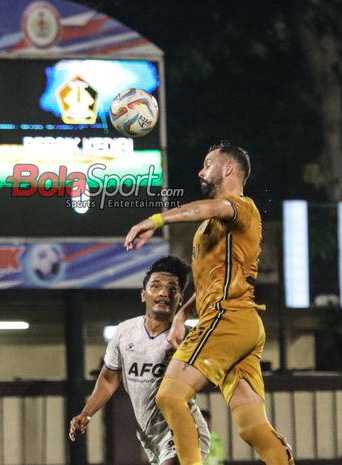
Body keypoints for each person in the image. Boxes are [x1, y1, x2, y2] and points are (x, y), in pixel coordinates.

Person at [125, 142, 295, 465]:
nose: (200, 171)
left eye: (207, 164)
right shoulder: (211, 229)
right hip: (241, 324)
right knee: (253, 428)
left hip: (227, 319)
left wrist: (157, 219)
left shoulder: (240, 207)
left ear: (228, 169)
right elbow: (212, 281)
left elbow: (212, 208)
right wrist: (184, 312)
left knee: (170, 395)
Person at [69, 256, 210, 465]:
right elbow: (109, 380)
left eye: (172, 288)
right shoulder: (125, 332)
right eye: (156, 286)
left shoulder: (187, 338)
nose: (163, 293)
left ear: (180, 299)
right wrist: (86, 413)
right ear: (143, 295)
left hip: (183, 430)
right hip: (150, 437)